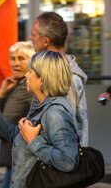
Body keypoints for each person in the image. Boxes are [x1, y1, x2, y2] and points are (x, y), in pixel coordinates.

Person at [0, 50, 79, 188]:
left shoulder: (56, 113)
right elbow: (17, 138)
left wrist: (33, 141)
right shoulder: (39, 105)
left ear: (42, 80)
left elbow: (68, 161)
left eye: (30, 72)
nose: (26, 75)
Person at [29, 12, 88, 145]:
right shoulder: (46, 71)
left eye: (33, 35)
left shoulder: (68, 77)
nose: (30, 38)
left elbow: (67, 134)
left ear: (45, 41)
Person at [0, 41, 35, 188]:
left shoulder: (26, 89)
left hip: (20, 157)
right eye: (13, 58)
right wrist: (2, 94)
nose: (15, 63)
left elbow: (0, 128)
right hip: (16, 157)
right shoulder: (18, 85)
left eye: (21, 58)